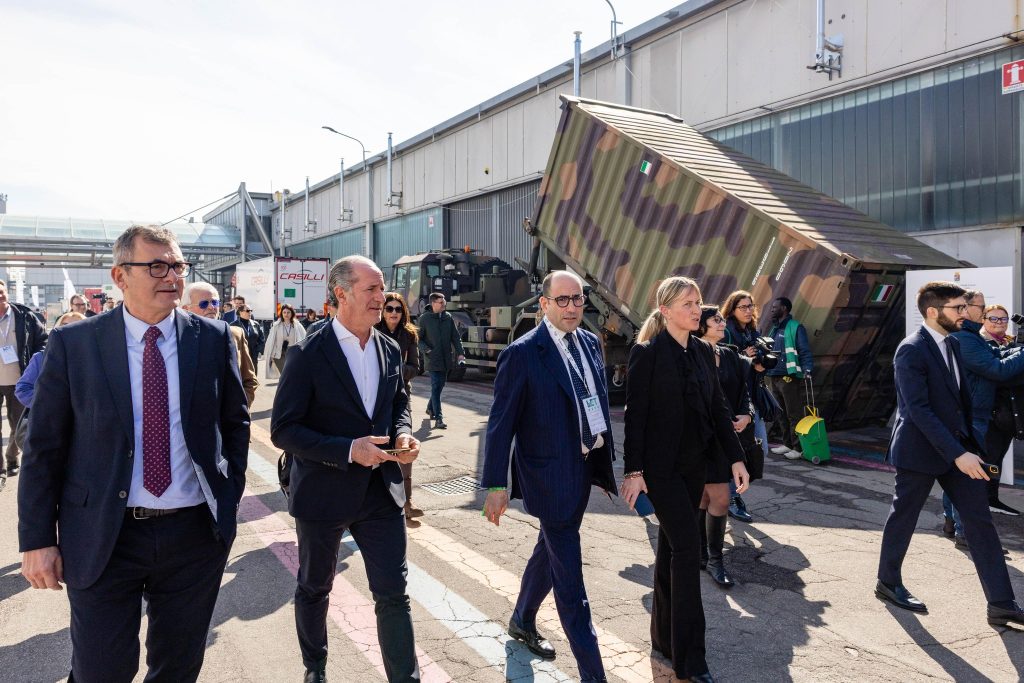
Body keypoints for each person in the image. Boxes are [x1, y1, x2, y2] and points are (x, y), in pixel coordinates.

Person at [18, 224, 250, 682]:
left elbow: (234, 424)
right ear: (120, 276)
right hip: (104, 534)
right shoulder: (75, 344)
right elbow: (44, 448)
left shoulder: (213, 338)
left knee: (177, 668)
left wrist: (227, 497)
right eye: (157, 266)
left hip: (192, 535)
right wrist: (37, 539)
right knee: (101, 670)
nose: (173, 277)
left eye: (178, 266)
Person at [271, 255, 422, 683]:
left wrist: (403, 434)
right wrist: (348, 450)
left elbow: (398, 402)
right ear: (341, 293)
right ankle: (315, 667)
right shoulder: (308, 353)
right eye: (371, 289)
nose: (382, 297)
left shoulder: (388, 348)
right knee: (315, 588)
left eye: (382, 288)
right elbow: (283, 430)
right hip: (323, 492)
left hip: (381, 493)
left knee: (393, 593)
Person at [481, 270, 617, 683]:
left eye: (578, 299)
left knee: (550, 548)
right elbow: (500, 425)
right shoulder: (523, 354)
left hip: (584, 467)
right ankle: (594, 675)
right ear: (543, 304)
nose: (572, 307)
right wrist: (496, 484)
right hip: (549, 478)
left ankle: (522, 619)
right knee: (570, 582)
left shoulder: (589, 342)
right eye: (562, 300)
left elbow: (595, 401)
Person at [620, 276, 749, 683]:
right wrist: (634, 472)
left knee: (671, 549)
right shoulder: (646, 354)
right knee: (688, 551)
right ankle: (690, 660)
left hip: (695, 468)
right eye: (687, 304)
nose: (697, 310)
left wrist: (736, 458)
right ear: (665, 311)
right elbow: (635, 418)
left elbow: (718, 408)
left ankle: (663, 638)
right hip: (662, 472)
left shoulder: (703, 352)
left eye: (698, 302)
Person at [875, 281, 1023, 627]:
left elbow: (960, 401)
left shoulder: (954, 343)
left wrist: (971, 446)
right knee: (904, 518)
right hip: (919, 451)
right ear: (932, 311)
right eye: (957, 308)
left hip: (959, 450)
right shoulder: (911, 350)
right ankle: (888, 582)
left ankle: (1002, 603)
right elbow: (917, 411)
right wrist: (959, 454)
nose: (964, 314)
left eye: (964, 307)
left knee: (979, 521)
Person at [942, 291, 1024, 540]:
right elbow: (996, 369)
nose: (985, 310)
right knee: (969, 478)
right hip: (971, 416)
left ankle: (953, 525)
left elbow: (998, 356)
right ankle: (966, 533)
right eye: (982, 307)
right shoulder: (964, 339)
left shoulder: (972, 337)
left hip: (976, 414)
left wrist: (1019, 348)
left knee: (961, 475)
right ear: (966, 308)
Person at [694, 305, 759, 587]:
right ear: (701, 326)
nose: (722, 323)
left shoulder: (730, 355)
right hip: (699, 439)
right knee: (713, 498)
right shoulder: (691, 354)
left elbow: (745, 392)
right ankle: (710, 558)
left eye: (722, 319)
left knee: (713, 498)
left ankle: (709, 557)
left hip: (726, 439)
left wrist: (747, 415)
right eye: (716, 320)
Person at [375, 292, 424, 528]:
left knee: (405, 445)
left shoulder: (409, 334)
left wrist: (396, 371)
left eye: (397, 309)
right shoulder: (373, 331)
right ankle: (380, 501)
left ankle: (407, 502)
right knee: (380, 443)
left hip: (402, 395)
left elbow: (416, 366)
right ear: (383, 312)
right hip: (376, 396)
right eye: (389, 308)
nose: (393, 313)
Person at [721, 289, 768, 523]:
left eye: (751, 306)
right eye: (743, 307)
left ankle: (731, 493)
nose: (749, 311)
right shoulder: (726, 333)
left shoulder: (753, 332)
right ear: (732, 310)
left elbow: (754, 371)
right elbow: (724, 365)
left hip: (751, 399)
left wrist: (760, 365)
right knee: (735, 451)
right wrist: (743, 356)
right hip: (734, 401)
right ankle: (731, 498)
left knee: (760, 449)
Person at [974, 302, 1023, 518]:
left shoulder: (1010, 343)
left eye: (1003, 319)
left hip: (1007, 414)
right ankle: (981, 502)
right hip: (990, 413)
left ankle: (991, 498)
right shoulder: (982, 344)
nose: (999, 323)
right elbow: (1000, 374)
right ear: (983, 320)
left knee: (997, 457)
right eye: (993, 318)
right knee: (988, 458)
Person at [12, 311, 86, 453]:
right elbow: (23, 389)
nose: (70, 330)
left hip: (85, 432)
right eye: (65, 325)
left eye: (78, 326)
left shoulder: (95, 361)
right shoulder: (41, 357)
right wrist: (47, 404)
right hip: (49, 428)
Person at [181, 282, 259, 407]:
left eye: (215, 302)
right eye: (204, 303)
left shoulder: (235, 334)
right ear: (185, 309)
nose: (211, 307)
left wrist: (240, 408)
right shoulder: (177, 339)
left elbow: (249, 380)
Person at [0, 278, 47, 476]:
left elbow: (43, 341)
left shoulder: (25, 316)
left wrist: (34, 366)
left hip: (19, 380)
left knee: (17, 425)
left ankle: (12, 458)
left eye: (1, 291)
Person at [764, 296, 813, 460]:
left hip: (789, 377)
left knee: (793, 413)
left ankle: (798, 448)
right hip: (774, 375)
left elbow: (804, 350)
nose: (772, 309)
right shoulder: (775, 328)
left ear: (784, 308)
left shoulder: (795, 327)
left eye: (775, 307)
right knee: (781, 413)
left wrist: (807, 369)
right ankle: (787, 444)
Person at [417, 292, 465, 430]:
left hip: (446, 359)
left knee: (439, 386)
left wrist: (461, 354)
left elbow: (455, 337)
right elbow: (418, 338)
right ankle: (439, 418)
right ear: (433, 303)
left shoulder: (448, 317)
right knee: (436, 386)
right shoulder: (424, 319)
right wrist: (426, 350)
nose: (444, 304)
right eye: (441, 302)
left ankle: (429, 408)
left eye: (444, 301)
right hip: (432, 358)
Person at [265, 304, 306, 379]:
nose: (286, 314)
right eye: (284, 312)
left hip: (292, 353)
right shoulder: (276, 325)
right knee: (285, 374)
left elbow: (304, 338)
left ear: (292, 313)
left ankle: (287, 386)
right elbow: (271, 341)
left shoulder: (297, 325)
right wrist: (270, 355)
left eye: (288, 312)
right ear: (281, 313)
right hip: (279, 354)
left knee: (291, 374)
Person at [231, 304, 264, 372]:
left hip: (253, 356)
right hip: (240, 356)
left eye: (251, 311)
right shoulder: (233, 325)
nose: (250, 312)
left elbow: (261, 339)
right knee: (241, 375)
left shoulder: (256, 324)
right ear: (240, 312)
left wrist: (258, 351)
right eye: (247, 311)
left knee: (253, 375)